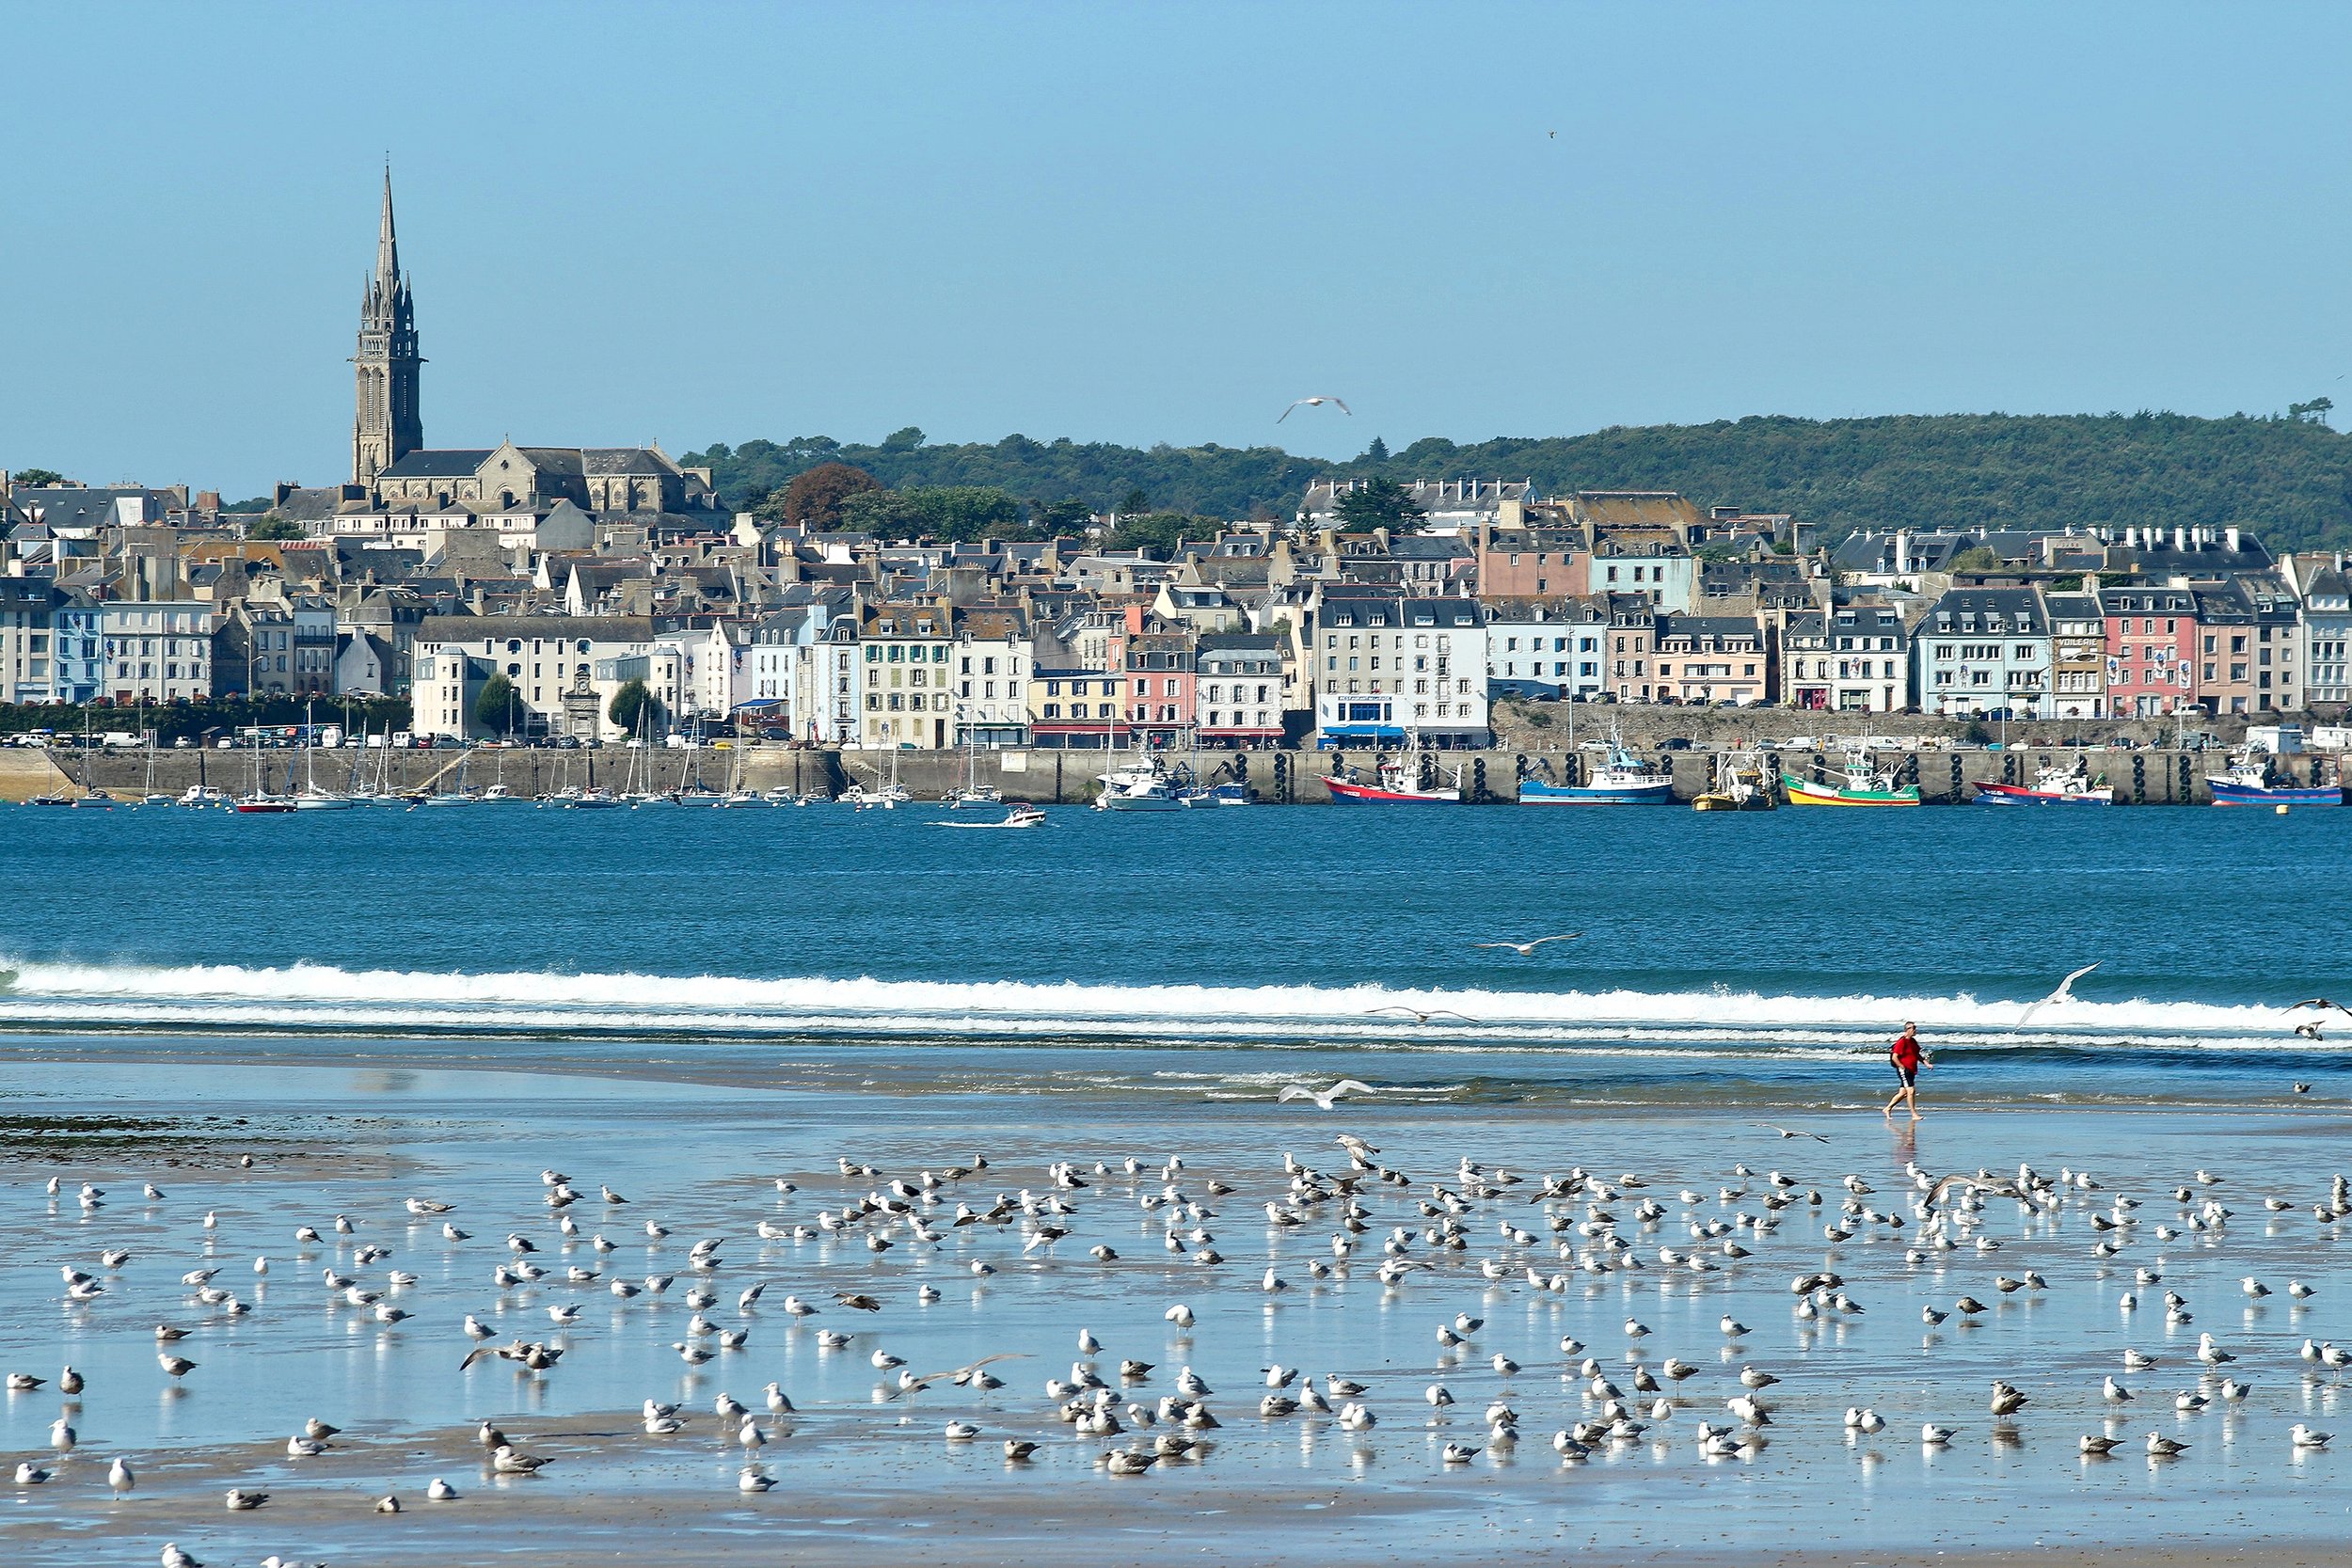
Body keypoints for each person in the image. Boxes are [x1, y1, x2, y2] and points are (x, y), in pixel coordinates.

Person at [1884, 1021, 1928, 1120]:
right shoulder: (1902, 1042)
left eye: (1915, 1027)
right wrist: (1901, 1066)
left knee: (1903, 1093)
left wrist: (1926, 1063)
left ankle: (1888, 1108)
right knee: (1911, 1091)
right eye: (1913, 1028)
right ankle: (1913, 1114)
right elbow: (1894, 1057)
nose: (1915, 1030)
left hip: (1912, 1070)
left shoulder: (1913, 1041)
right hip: (1905, 1070)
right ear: (1908, 1030)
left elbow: (1917, 1054)